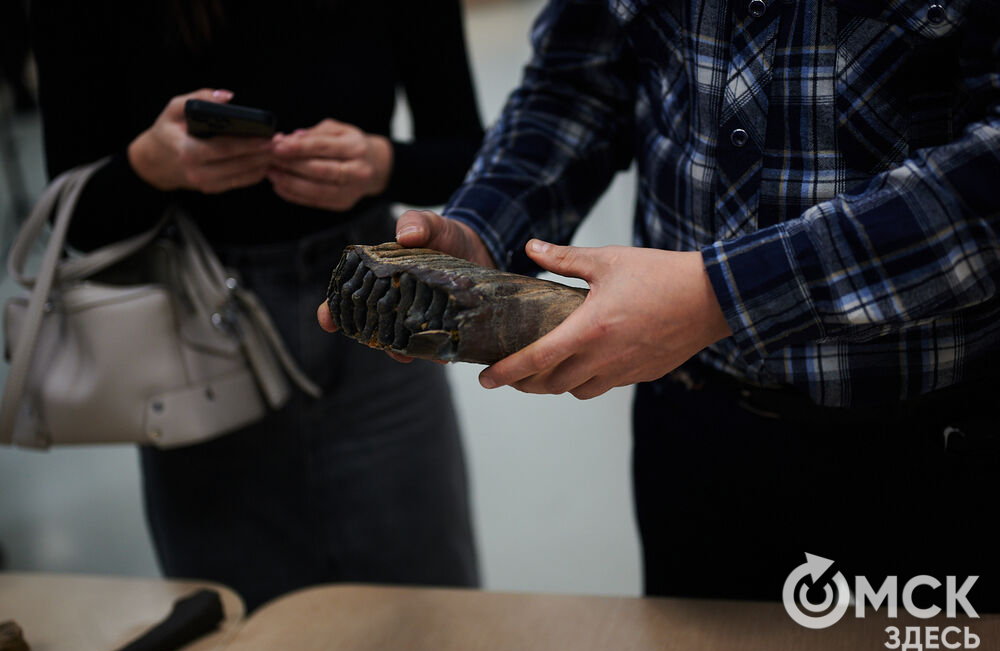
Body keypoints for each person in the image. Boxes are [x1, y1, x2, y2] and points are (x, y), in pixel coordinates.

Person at [321, 1, 1000, 611]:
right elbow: (578, 84)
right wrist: (478, 230)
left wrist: (720, 294)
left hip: (932, 444)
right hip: (693, 421)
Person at [30, 0, 482, 611]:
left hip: (374, 303)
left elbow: (469, 152)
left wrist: (382, 164)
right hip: (192, 321)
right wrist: (147, 168)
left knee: (430, 617)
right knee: (240, 623)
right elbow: (73, 212)